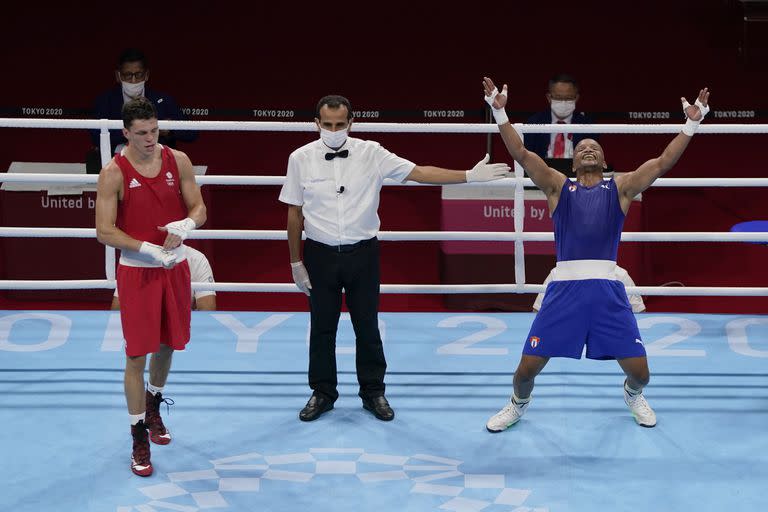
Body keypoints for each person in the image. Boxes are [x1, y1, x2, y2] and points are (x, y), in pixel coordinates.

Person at [482, 76, 709, 431]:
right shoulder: (558, 186)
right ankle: (517, 404)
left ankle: (632, 395)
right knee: (525, 371)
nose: (588, 149)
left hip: (607, 289)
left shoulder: (620, 188)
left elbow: (663, 162)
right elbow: (521, 154)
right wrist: (501, 115)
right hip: (565, 289)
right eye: (582, 147)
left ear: (604, 160)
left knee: (641, 374)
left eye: (595, 148)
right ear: (573, 162)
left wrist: (691, 124)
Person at [279, 95, 510, 423]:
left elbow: (419, 172)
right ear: (316, 123)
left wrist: (468, 177)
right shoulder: (299, 158)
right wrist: (295, 262)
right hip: (320, 255)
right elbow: (294, 212)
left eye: (339, 124)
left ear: (351, 123)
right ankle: (322, 392)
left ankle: (373, 392)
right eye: (327, 125)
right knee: (321, 328)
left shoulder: (371, 153)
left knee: (367, 326)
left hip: (364, 253)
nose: (333, 130)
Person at [95, 97, 207, 476]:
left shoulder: (178, 160)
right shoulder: (113, 172)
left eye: (154, 130)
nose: (149, 138)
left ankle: (154, 404)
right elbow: (104, 231)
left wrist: (185, 227)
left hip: (173, 269)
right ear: (125, 132)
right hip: (138, 273)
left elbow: (199, 208)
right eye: (141, 133)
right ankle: (138, 434)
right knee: (135, 355)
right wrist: (146, 248)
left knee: (167, 343)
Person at [90, 48, 197, 157]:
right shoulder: (105, 100)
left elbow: (192, 133)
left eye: (138, 74)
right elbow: (95, 136)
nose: (133, 80)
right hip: (118, 160)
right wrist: (136, 130)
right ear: (118, 76)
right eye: (127, 75)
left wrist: (170, 130)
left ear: (146, 75)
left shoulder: (162, 100)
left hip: (158, 161)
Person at [111, 245, 216, 311]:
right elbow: (117, 309)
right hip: (142, 326)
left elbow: (208, 309)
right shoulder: (134, 260)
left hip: (182, 327)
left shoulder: (196, 258)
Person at [524, 73, 598, 159]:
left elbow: (593, 159)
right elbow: (526, 158)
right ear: (549, 97)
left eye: (569, 98)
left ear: (576, 98)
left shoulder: (588, 124)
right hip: (541, 171)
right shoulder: (534, 122)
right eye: (558, 98)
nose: (563, 102)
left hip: (577, 171)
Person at [533, 265, 645, 313]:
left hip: (608, 336)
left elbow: (639, 311)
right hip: (567, 334)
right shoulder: (557, 273)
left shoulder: (620, 275)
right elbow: (537, 310)